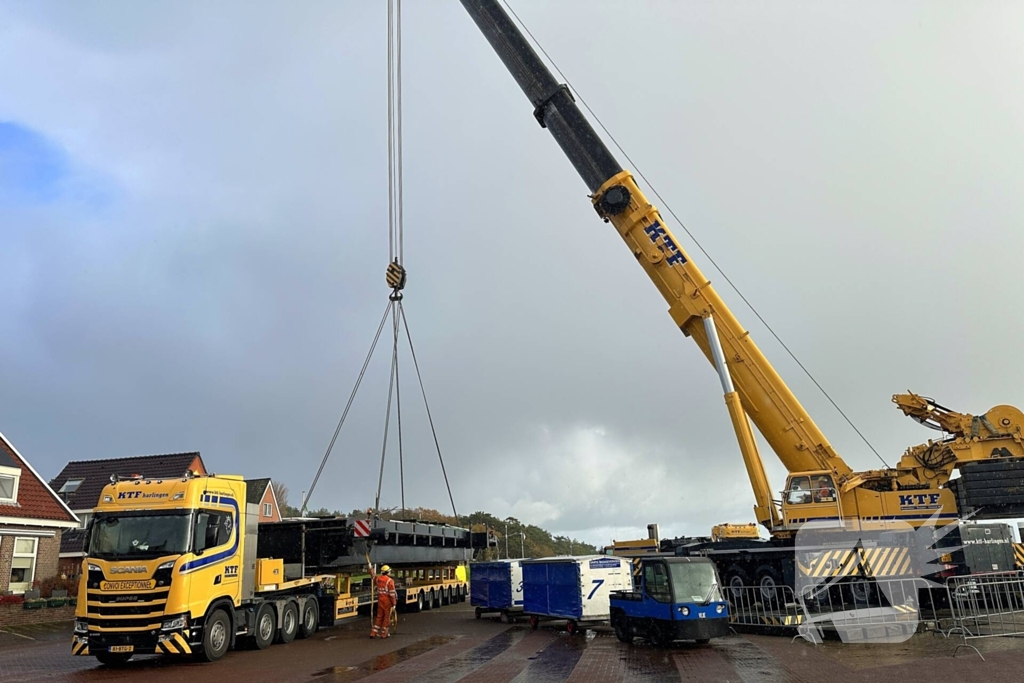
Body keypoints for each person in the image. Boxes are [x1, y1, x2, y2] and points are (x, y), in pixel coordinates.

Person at [371, 565, 397, 638]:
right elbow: (392, 594)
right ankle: (384, 633)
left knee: (379, 617)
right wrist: (394, 603)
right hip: (387, 601)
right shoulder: (390, 581)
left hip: (380, 600)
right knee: (387, 618)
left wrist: (371, 568)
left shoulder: (378, 579)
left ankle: (373, 632)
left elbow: (373, 576)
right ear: (388, 572)